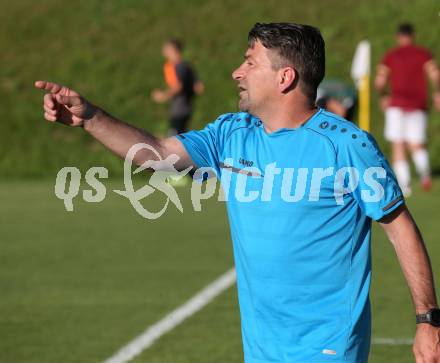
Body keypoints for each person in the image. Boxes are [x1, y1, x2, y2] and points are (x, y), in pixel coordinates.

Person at [35, 22, 440, 363]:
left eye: (250, 62)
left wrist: (427, 322)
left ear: (285, 77)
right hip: (261, 349)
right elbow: (157, 154)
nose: (236, 72)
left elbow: (399, 227)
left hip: (326, 348)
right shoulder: (232, 133)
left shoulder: (345, 146)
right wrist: (91, 118)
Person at [375, 22, 440, 196]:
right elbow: (435, 75)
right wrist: (438, 93)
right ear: (413, 36)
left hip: (396, 105)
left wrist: (383, 96)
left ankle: (405, 185)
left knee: (398, 145)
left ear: (398, 37)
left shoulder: (391, 56)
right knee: (416, 144)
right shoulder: (423, 54)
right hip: (417, 105)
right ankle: (425, 174)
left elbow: (380, 81)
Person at [151, 39, 204, 136]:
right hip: (185, 107)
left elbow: (178, 86)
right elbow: (199, 87)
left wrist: (163, 95)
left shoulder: (178, 66)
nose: (163, 52)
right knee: (180, 136)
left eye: (166, 49)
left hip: (179, 108)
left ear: (173, 50)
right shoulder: (186, 66)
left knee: (175, 138)